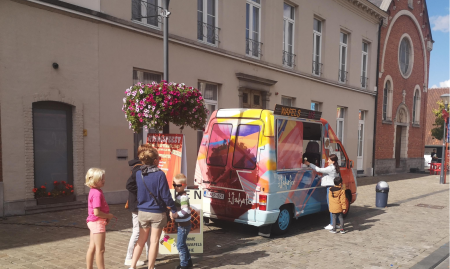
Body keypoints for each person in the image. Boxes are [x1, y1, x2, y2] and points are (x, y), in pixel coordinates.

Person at [129, 145, 177, 269]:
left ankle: (132, 265)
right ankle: (151, 267)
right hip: (157, 212)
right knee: (154, 241)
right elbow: (166, 196)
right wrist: (173, 208)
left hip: (142, 211)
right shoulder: (160, 174)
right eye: (158, 158)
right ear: (155, 161)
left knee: (141, 240)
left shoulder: (139, 174)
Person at [85, 168, 115, 269]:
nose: (104, 180)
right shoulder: (97, 193)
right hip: (97, 223)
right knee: (100, 250)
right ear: (94, 180)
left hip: (93, 222)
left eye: (103, 178)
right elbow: (97, 212)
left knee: (92, 247)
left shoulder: (94, 191)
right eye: (101, 178)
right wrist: (108, 216)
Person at [304, 154, 341, 230]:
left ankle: (332, 224)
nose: (328, 161)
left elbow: (319, 170)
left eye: (329, 160)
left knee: (331, 206)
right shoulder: (335, 167)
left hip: (330, 187)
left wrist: (309, 164)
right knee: (335, 205)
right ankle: (336, 223)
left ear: (333, 161)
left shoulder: (331, 168)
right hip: (334, 187)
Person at [124, 158, 146, 267]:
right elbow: (129, 186)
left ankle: (149, 254)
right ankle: (129, 257)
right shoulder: (138, 171)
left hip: (137, 205)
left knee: (145, 231)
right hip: (137, 206)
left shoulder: (136, 171)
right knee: (137, 231)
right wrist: (140, 192)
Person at [171, 173, 194, 269]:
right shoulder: (179, 195)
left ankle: (184, 265)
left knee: (180, 245)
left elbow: (185, 211)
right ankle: (188, 262)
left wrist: (175, 215)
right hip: (181, 224)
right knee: (183, 244)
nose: (176, 187)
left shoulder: (183, 197)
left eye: (178, 185)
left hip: (183, 225)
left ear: (184, 185)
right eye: (174, 185)